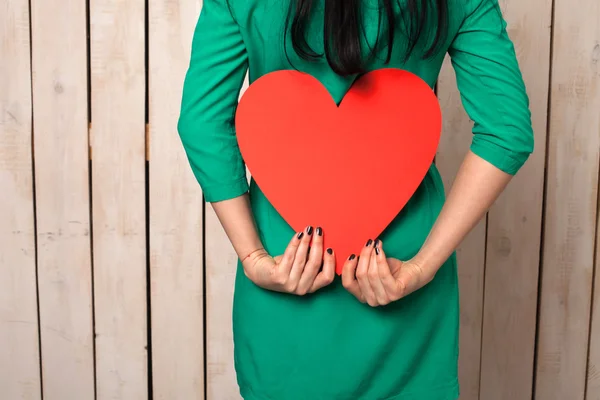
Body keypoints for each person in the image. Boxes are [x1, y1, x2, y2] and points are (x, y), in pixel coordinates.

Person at [177, 0, 533, 398]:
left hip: (288, 263)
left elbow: (202, 122)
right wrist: (422, 266)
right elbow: (507, 131)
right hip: (398, 270)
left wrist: (253, 257)